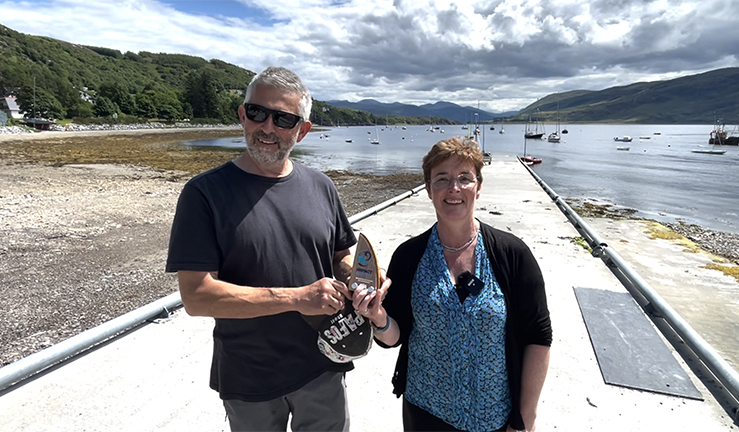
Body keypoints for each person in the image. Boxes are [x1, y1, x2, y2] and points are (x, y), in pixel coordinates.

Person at [166, 66, 358, 432]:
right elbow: (197, 297)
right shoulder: (204, 194)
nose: (268, 127)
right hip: (249, 377)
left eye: (284, 119)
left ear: (302, 130)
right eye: (258, 113)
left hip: (324, 362)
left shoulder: (321, 186)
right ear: (242, 115)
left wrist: (361, 278)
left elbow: (339, 256)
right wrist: (298, 297)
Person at [351, 137, 552, 431]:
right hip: (425, 413)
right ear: (429, 190)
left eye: (464, 179)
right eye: (442, 179)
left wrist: (526, 417)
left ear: (478, 188)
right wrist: (377, 317)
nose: (453, 188)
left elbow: (538, 335)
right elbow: (394, 336)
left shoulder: (512, 255)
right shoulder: (409, 257)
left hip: (494, 417)